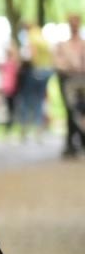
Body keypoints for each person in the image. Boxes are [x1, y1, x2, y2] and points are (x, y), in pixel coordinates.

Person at [55, 13, 85, 158]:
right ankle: (70, 143)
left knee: (82, 111)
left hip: (82, 80)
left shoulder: (83, 44)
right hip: (68, 80)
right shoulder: (63, 45)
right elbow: (58, 63)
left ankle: (80, 141)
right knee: (70, 111)